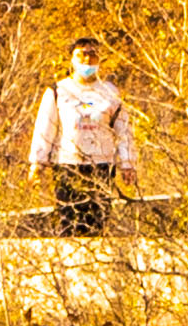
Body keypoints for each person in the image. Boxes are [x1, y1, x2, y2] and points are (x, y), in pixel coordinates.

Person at [27, 35, 134, 232]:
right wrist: (37, 163)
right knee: (69, 223)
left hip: (100, 166)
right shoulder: (58, 91)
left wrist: (127, 163)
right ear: (72, 58)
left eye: (93, 55)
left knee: (97, 223)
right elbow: (45, 128)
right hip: (68, 166)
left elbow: (123, 130)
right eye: (82, 54)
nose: (87, 60)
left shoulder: (110, 92)